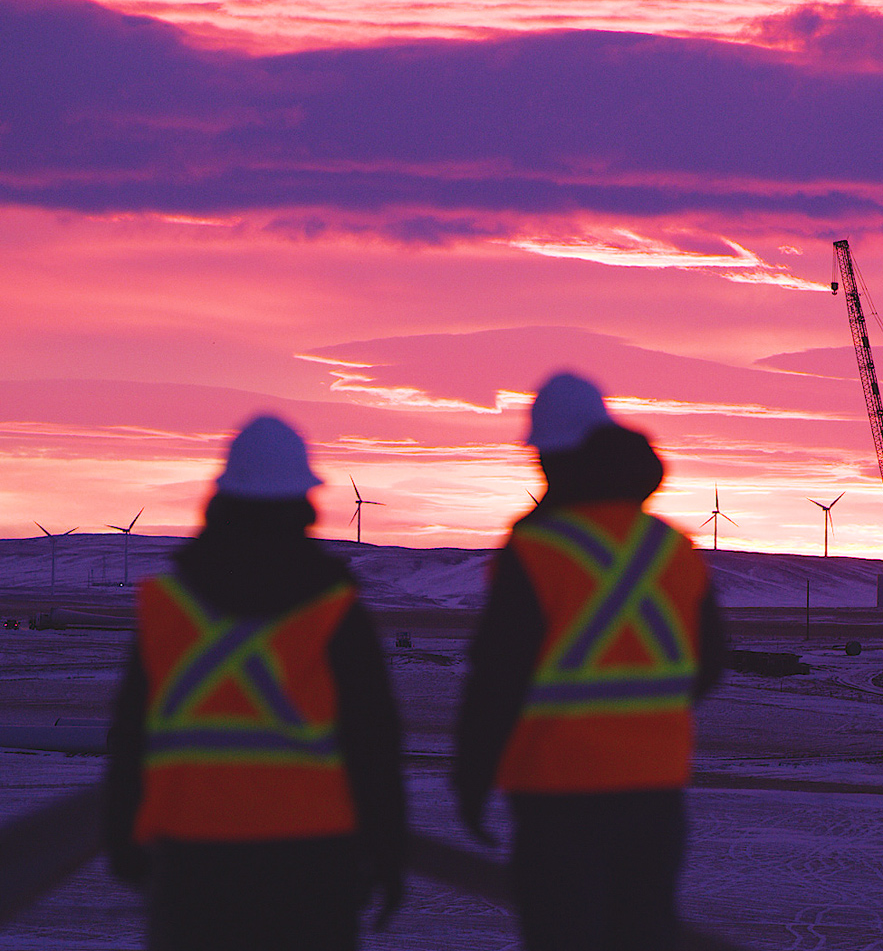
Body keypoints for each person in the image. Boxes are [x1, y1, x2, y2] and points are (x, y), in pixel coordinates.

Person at [104, 414, 406, 951]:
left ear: (222, 497)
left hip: (192, 865)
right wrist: (386, 857)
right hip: (313, 868)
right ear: (303, 500)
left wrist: (122, 839)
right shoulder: (334, 609)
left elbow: (130, 736)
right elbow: (373, 745)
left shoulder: (168, 605)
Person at [453, 372, 727, 951]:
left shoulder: (536, 551)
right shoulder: (672, 550)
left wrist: (472, 780)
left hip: (558, 800)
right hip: (655, 797)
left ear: (552, 457)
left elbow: (496, 681)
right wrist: (643, 726)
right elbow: (708, 666)